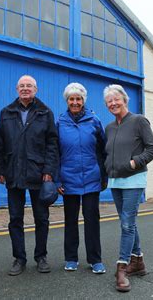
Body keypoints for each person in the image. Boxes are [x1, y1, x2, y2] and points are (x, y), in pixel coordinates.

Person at [0, 75, 59, 276]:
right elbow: (0, 144)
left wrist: (49, 170)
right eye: (22, 86)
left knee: (42, 218)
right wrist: (0, 169)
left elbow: (52, 144)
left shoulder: (45, 112)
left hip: (38, 173)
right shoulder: (6, 112)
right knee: (15, 218)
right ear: (17, 89)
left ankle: (41, 256)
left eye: (29, 86)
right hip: (14, 172)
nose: (25, 89)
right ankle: (19, 258)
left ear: (35, 89)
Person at [103, 84, 153, 292]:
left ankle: (122, 268)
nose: (113, 103)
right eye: (109, 101)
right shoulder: (109, 127)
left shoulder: (139, 121)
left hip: (134, 179)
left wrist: (135, 162)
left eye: (116, 99)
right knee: (128, 223)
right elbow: (106, 153)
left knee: (127, 224)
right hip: (115, 181)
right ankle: (139, 262)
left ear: (125, 100)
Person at [56, 83, 107, 274]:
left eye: (78, 99)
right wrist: (57, 179)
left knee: (92, 219)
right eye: (71, 99)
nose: (75, 102)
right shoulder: (60, 122)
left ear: (83, 100)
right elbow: (55, 153)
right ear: (67, 101)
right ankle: (70, 258)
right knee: (70, 220)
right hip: (68, 179)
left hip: (91, 179)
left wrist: (103, 174)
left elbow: (103, 150)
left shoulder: (94, 120)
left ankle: (95, 259)